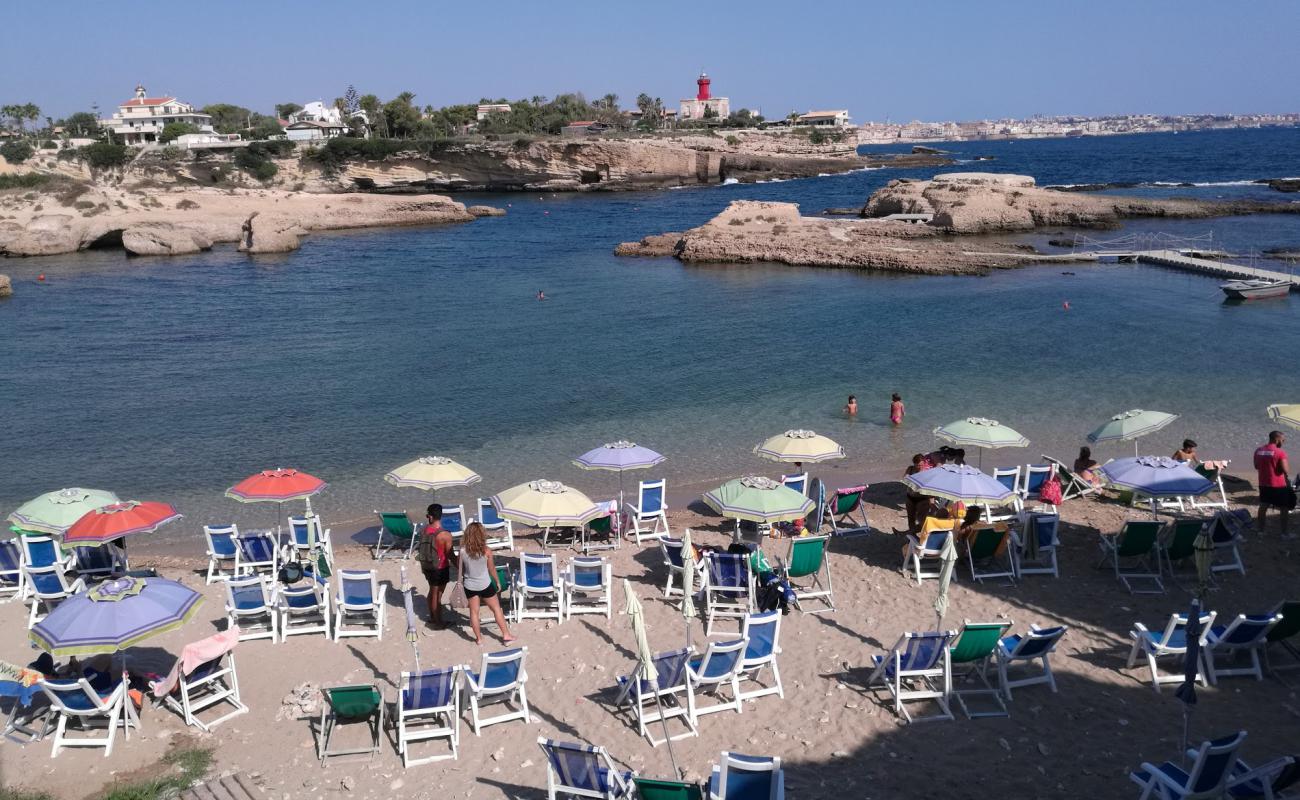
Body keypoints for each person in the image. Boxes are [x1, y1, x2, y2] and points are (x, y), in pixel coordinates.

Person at [458, 522, 515, 645]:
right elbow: (492, 569)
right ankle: (506, 635)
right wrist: (498, 581)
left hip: (469, 585)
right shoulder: (486, 551)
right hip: (484, 584)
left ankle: (479, 639)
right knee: (496, 609)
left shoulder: (462, 551)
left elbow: (461, 569)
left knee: (474, 612)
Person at [418, 504, 453, 628]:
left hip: (426, 565)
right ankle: (437, 621)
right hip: (439, 567)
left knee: (432, 591)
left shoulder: (423, 530)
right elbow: (450, 555)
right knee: (437, 594)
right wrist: (460, 566)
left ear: (430, 517)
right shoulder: (445, 535)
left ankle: (433, 617)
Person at [1254, 430, 1295, 535]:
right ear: (1277, 439)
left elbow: (1256, 466)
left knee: (1263, 506)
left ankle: (1261, 531)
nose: (1283, 442)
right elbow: (1286, 470)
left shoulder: (1258, 450)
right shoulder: (1280, 452)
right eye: (1283, 440)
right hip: (1278, 485)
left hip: (1263, 483)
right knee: (1284, 508)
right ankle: (1284, 533)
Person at [903, 454, 931, 531]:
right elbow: (905, 479)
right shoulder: (910, 469)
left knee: (922, 519)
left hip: (922, 499)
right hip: (910, 497)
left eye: (921, 465)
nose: (919, 467)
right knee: (911, 518)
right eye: (918, 465)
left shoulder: (927, 472)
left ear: (924, 463)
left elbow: (930, 486)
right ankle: (912, 534)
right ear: (914, 464)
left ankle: (924, 537)